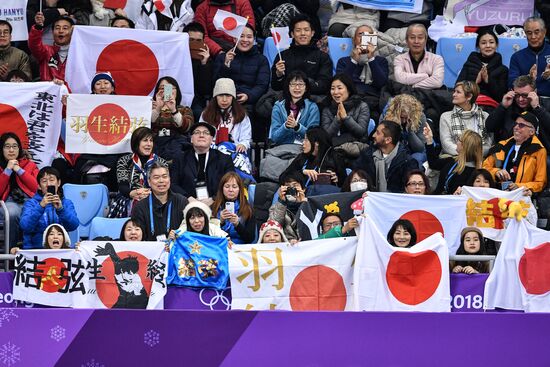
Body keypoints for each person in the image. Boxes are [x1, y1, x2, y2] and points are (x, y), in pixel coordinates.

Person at [170, 122, 235, 205]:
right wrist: (188, 198)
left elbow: (231, 184)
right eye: (197, 132)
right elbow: (173, 184)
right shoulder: (180, 159)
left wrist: (214, 199)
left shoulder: (224, 159)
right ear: (191, 139)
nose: (201, 135)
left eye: (206, 133)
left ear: (211, 139)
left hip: (217, 205)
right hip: (187, 205)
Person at [483, 111, 547, 194]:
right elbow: (484, 168)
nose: (516, 127)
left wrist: (519, 187)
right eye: (516, 124)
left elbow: (540, 183)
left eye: (521, 125)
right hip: (497, 193)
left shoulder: (538, 151)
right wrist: (496, 172)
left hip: (521, 197)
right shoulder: (501, 145)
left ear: (532, 131)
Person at [271, 14, 333, 96]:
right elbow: (275, 87)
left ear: (312, 33)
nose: (302, 33)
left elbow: (324, 85)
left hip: (312, 100)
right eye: (298, 30)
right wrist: (279, 75)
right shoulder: (282, 56)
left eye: (306, 30)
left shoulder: (323, 57)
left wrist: (304, 85)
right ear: (292, 34)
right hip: (286, 99)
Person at [485, 75, 550, 152]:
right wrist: (502, 106)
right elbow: (489, 127)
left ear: (535, 92)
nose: (520, 99)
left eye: (525, 95)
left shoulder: (546, 104)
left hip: (541, 153)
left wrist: (537, 108)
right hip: (510, 152)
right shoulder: (508, 105)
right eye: (517, 95)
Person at [19, 167, 79, 249]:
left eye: (52, 180)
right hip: (35, 251)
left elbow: (73, 225)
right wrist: (40, 206)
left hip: (61, 251)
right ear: (39, 186)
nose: (48, 184)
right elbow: (25, 226)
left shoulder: (66, 203)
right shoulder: (31, 203)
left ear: (58, 183)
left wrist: (61, 209)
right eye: (44, 181)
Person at [213, 24, 270, 109]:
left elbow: (262, 85)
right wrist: (226, 65)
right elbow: (216, 82)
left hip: (249, 102)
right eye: (241, 36)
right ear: (234, 38)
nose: (245, 40)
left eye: (249, 37)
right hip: (224, 100)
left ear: (254, 39)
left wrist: (249, 96)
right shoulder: (223, 57)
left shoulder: (261, 60)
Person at [114, 127, 168, 217]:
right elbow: (122, 185)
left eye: (151, 141)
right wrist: (133, 193)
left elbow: (165, 185)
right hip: (129, 198)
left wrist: (150, 194)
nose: (149, 144)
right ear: (136, 143)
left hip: (156, 199)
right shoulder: (124, 161)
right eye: (145, 140)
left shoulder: (161, 163)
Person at [353, 120, 418, 192]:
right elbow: (356, 176)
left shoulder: (407, 162)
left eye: (377, 133)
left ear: (388, 140)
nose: (373, 135)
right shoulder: (366, 155)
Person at [131, 162, 189, 241]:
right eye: (156, 177)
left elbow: (188, 231)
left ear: (169, 179)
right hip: (150, 251)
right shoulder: (140, 207)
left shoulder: (182, 202)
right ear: (149, 182)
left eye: (164, 177)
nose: (161, 181)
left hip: (176, 249)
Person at [0, 132, 39, 248]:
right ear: (1, 149)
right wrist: (7, 170)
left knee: (39, 210)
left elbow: (36, 187)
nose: (11, 150)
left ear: (19, 148)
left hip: (29, 201)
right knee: (12, 212)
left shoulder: (30, 165)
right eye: (7, 146)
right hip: (7, 202)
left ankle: (33, 253)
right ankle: (11, 253)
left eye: (14, 146)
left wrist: (18, 169)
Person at [281, 126, 347, 189]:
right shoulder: (302, 157)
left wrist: (337, 180)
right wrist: (303, 172)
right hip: (302, 195)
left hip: (326, 196)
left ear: (316, 143)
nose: (303, 143)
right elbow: (283, 177)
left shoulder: (335, 157)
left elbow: (346, 185)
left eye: (306, 140)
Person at [424, 125, 483, 195]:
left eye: (459, 140)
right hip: (437, 199)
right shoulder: (453, 160)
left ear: (464, 147)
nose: (457, 142)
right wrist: (429, 140)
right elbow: (433, 164)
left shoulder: (474, 174)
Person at [335, 24, 388, 99]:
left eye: (368, 36)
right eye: (361, 35)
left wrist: (371, 59)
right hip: (350, 98)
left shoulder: (381, 61)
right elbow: (341, 84)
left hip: (372, 98)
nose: (363, 38)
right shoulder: (343, 61)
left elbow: (381, 84)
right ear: (354, 40)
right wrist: (354, 61)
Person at [321, 74, 370, 154]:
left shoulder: (361, 106)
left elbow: (361, 133)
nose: (336, 92)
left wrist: (346, 118)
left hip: (357, 149)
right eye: (332, 89)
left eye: (339, 88)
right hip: (333, 150)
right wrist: (337, 120)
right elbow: (326, 136)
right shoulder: (327, 109)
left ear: (349, 89)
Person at [439, 81, 492, 156]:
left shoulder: (485, 116)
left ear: (469, 96)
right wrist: (467, 153)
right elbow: (446, 144)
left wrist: (475, 154)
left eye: (458, 92)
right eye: (454, 91)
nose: (454, 94)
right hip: (455, 158)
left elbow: (488, 144)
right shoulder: (445, 116)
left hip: (479, 158)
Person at [200, 78, 252, 152]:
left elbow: (246, 138)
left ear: (233, 97)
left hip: (234, 151)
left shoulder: (241, 114)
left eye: (228, 95)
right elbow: (201, 135)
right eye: (220, 95)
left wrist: (243, 144)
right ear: (215, 97)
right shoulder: (206, 114)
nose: (224, 100)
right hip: (211, 152)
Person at [270, 70, 320, 146]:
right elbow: (274, 138)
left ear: (306, 88)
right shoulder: (278, 106)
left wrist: (297, 127)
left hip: (303, 148)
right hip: (281, 148)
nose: (297, 88)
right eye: (293, 84)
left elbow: (314, 136)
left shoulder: (312, 107)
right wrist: (285, 126)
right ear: (288, 87)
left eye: (300, 84)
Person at [457, 29, 508, 103]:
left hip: (491, 107)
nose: (488, 46)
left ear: (496, 45)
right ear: (478, 46)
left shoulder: (503, 69)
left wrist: (488, 81)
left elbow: (501, 97)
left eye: (491, 42)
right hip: (468, 104)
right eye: (483, 43)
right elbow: (457, 89)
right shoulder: (469, 64)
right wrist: (475, 82)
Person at [151, 76, 194, 162]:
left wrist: (174, 110)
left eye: (170, 88)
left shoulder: (184, 109)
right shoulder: (150, 108)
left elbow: (187, 127)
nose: (167, 91)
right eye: (162, 88)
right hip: (155, 142)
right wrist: (158, 108)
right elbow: (146, 125)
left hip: (176, 144)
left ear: (177, 91)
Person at [393, 24, 444, 90]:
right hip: (406, 98)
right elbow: (399, 78)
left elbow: (437, 82)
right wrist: (426, 76)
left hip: (428, 97)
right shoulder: (399, 59)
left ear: (425, 40)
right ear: (406, 41)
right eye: (412, 37)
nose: (416, 41)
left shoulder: (437, 59)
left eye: (420, 38)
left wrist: (413, 87)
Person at [508, 17, 550, 98]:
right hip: (525, 101)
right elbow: (511, 84)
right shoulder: (517, 57)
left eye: (537, 32)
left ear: (544, 32)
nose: (533, 37)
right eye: (529, 33)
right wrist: (528, 79)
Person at [382, 94, 428, 166]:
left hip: (414, 151)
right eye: (401, 117)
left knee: (414, 160)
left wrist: (410, 130)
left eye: (406, 118)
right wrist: (394, 127)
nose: (403, 121)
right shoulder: (387, 113)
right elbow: (382, 140)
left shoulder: (420, 117)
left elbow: (420, 149)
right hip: (394, 149)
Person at [211, 172, 256, 244]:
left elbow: (250, 239)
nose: (230, 190)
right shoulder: (213, 208)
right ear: (222, 188)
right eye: (227, 186)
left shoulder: (248, 209)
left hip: (240, 250)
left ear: (240, 189)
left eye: (234, 187)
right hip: (219, 247)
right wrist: (221, 222)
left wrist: (237, 224)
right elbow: (209, 235)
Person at [28, 12, 74, 82]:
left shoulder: (77, 54)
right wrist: (38, 27)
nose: (61, 31)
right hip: (49, 92)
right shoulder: (46, 51)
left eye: (65, 28)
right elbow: (34, 45)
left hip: (70, 92)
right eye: (57, 28)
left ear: (72, 32)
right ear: (52, 32)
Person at [183, 22, 213, 121]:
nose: (194, 43)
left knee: (200, 114)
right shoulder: (174, 57)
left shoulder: (207, 61)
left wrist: (204, 64)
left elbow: (205, 90)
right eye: (191, 40)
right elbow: (168, 82)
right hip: (174, 99)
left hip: (196, 101)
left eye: (198, 41)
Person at [268, 171, 307, 241]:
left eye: (295, 185)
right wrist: (282, 202)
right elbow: (272, 227)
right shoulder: (276, 207)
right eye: (288, 186)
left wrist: (303, 204)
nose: (292, 189)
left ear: (303, 189)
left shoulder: (310, 205)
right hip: (286, 246)